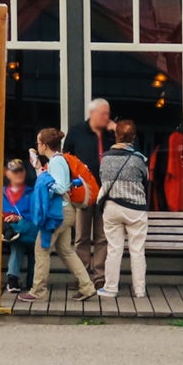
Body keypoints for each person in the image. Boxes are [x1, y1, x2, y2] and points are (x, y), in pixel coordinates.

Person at [20, 127, 98, 302]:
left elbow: (61, 187)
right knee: (65, 251)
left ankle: (38, 291)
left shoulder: (56, 162)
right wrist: (39, 169)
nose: (37, 146)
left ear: (45, 145)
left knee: (41, 249)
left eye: (38, 143)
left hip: (57, 213)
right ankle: (87, 287)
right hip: (65, 211)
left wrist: (45, 181)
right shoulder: (57, 160)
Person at [98, 118, 150, 299]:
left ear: (116, 135)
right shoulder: (139, 159)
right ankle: (139, 290)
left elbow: (102, 179)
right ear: (133, 137)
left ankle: (111, 288)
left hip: (112, 206)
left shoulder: (105, 158)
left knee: (114, 249)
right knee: (137, 251)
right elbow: (146, 179)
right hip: (136, 209)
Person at [65, 98, 115, 274]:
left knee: (103, 237)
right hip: (84, 192)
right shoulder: (77, 132)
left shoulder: (112, 134)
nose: (107, 117)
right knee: (81, 236)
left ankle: (100, 275)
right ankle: (83, 276)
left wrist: (117, 132)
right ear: (92, 114)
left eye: (108, 113)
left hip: (106, 192)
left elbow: (132, 150)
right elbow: (66, 159)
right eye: (103, 114)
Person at [0, 159, 34, 293]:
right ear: (8, 174)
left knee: (18, 241)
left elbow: (36, 216)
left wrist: (19, 218)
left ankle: (13, 279)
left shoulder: (31, 193)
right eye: (15, 171)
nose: (19, 174)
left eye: (21, 171)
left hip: (19, 231)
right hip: (1, 230)